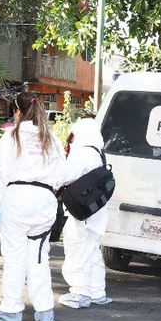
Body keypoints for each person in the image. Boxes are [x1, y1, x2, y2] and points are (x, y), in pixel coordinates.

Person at [0, 92, 66, 321]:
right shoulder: (50, 138)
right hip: (44, 202)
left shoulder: (11, 136)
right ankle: (45, 313)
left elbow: (0, 174)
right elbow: (62, 174)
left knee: (14, 259)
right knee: (40, 258)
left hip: (16, 201)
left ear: (17, 112)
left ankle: (11, 313)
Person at [58, 118, 111, 309]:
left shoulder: (82, 153)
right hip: (96, 212)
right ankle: (98, 292)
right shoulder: (99, 153)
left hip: (83, 214)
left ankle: (79, 293)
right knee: (92, 252)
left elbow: (63, 177)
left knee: (76, 249)